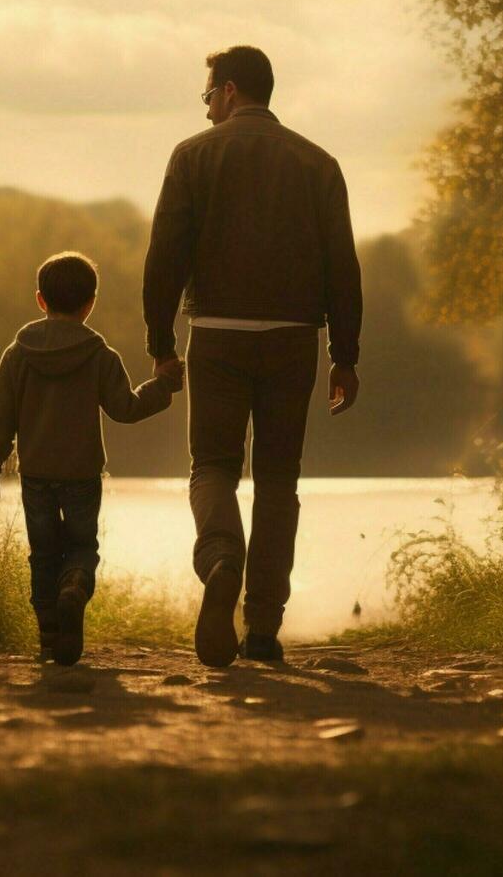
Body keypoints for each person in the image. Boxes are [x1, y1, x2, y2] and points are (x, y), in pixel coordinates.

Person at [143, 45, 363, 668]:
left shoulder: (192, 156)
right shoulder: (319, 164)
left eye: (209, 94)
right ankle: (263, 629)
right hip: (295, 340)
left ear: (232, 90)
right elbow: (343, 268)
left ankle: (219, 561)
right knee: (277, 482)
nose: (208, 109)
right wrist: (343, 356)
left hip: (215, 334)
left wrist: (161, 345)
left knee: (211, 465)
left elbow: (165, 259)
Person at [0, 251, 183, 666]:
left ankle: (51, 636)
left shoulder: (18, 355)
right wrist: (162, 386)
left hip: (35, 476)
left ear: (40, 300)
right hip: (83, 476)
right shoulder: (100, 356)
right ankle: (75, 587)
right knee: (82, 547)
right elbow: (125, 408)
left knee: (43, 554)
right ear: (90, 304)